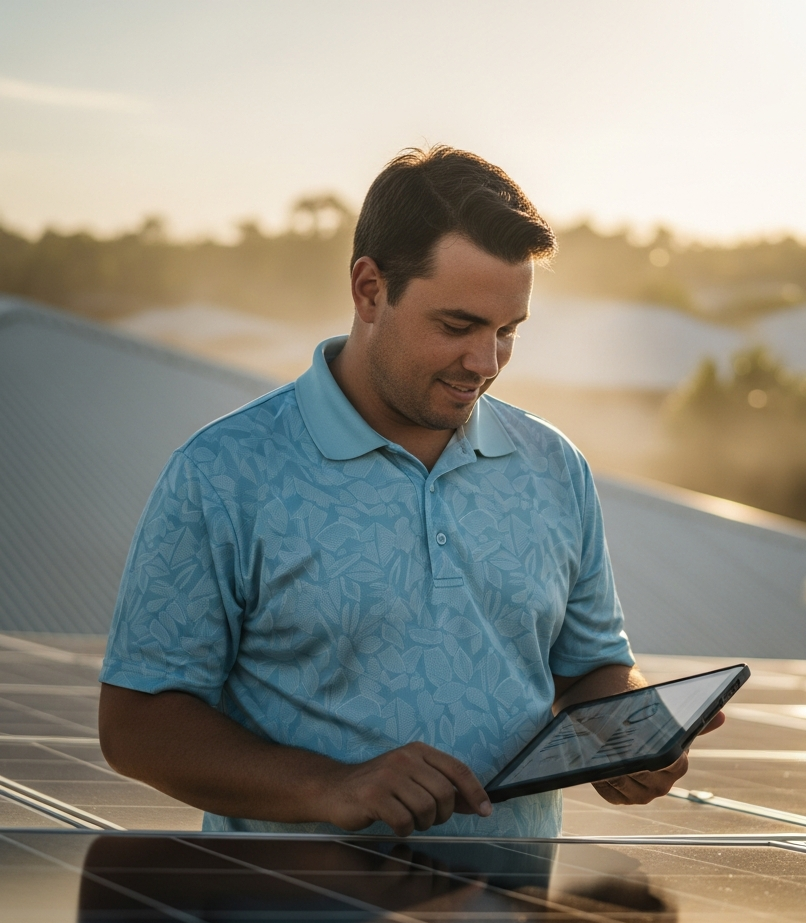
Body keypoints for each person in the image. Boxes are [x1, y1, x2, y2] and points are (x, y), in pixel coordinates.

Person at [98, 145, 722, 838]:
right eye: (457, 326)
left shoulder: (555, 467)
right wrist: (333, 787)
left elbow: (593, 669)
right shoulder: (224, 471)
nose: (485, 363)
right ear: (370, 289)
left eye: (507, 331)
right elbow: (136, 725)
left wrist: (628, 739)